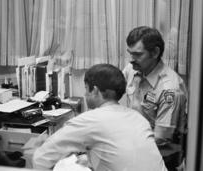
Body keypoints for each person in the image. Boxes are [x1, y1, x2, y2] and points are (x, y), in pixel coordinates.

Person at [33, 64, 167, 171]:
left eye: (86, 89)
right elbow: (125, 155)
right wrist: (89, 158)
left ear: (95, 91)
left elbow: (41, 159)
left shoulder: (89, 120)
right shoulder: (138, 118)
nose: (85, 94)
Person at [122, 26, 187, 170]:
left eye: (138, 54)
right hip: (135, 146)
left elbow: (161, 138)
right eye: (130, 53)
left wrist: (120, 145)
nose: (132, 60)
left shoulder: (169, 89)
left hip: (160, 158)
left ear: (155, 52)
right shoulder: (132, 69)